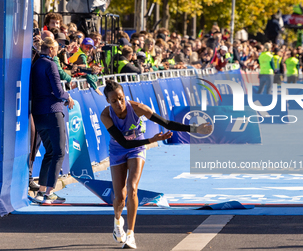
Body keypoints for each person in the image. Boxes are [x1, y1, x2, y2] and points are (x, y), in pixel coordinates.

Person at [100, 81, 212, 249]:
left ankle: (130, 234)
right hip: (118, 150)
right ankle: (117, 222)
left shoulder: (138, 108)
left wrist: (194, 129)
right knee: (119, 197)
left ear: (125, 96)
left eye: (121, 99)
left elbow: (166, 123)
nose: (119, 104)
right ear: (108, 101)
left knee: (132, 188)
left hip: (137, 149)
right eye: (114, 101)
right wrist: (151, 140)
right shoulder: (105, 116)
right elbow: (123, 143)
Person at [30, 37, 75, 204]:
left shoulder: (36, 64)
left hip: (38, 114)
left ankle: (41, 192)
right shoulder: (50, 64)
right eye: (56, 49)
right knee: (59, 152)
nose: (58, 53)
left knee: (50, 152)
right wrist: (68, 96)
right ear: (50, 50)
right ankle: (49, 192)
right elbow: (58, 91)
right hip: (52, 112)